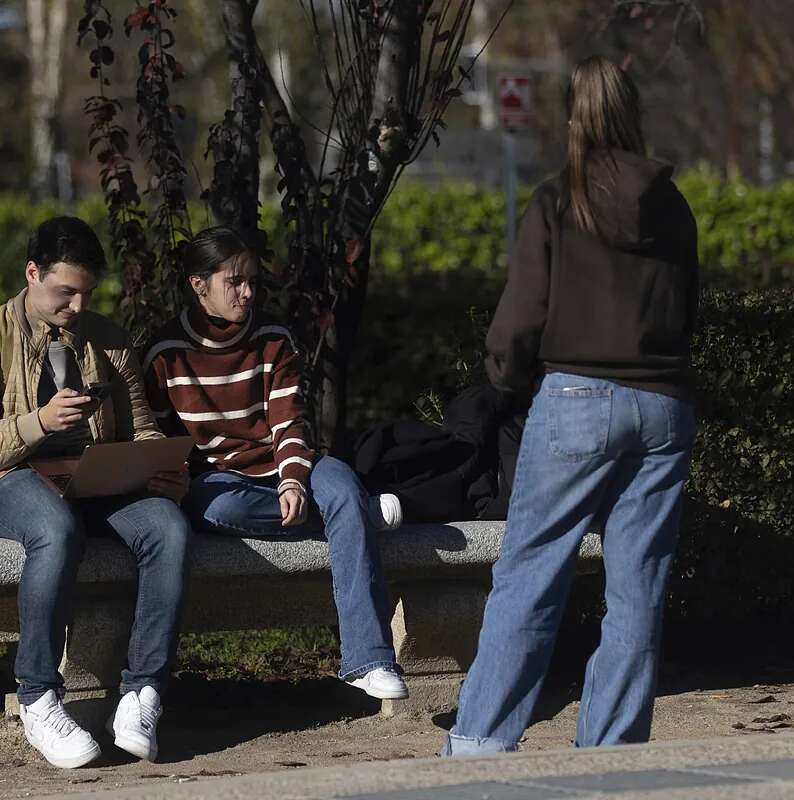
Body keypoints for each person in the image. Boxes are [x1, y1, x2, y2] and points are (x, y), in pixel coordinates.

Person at [443, 56, 700, 755]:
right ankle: (613, 752)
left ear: (572, 118)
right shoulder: (672, 206)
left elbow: (520, 317)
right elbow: (687, 309)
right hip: (664, 404)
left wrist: (502, 377)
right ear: (634, 113)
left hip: (579, 397)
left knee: (531, 574)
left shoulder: (561, 199)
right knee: (637, 589)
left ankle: (480, 747)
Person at [0, 216, 192, 768]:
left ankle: (142, 692)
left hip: (94, 475)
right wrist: (39, 423)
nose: (77, 305)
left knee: (169, 528)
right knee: (55, 529)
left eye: (86, 293)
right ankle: (37, 695)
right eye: (65, 292)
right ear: (32, 274)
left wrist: (158, 465)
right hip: (5, 479)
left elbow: (140, 427)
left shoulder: (107, 339)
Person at [142, 226, 409, 700]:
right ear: (198, 285)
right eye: (234, 282)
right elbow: (162, 440)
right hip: (220, 480)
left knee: (342, 488)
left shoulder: (273, 339)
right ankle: (360, 520)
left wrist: (292, 481)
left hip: (287, 464)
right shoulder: (165, 354)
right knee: (218, 510)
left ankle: (368, 660)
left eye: (251, 281)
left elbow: (290, 421)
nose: (247, 292)